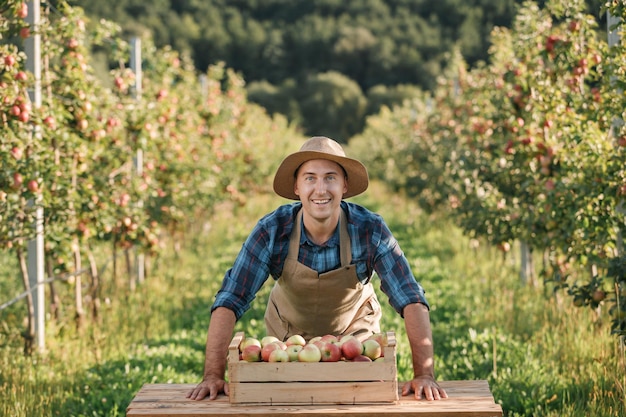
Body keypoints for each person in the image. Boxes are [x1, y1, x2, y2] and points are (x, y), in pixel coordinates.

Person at [187, 136, 447, 402]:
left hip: (354, 339)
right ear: (296, 187)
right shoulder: (272, 230)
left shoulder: (370, 230)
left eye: (330, 177)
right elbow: (231, 298)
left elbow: (410, 297)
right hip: (289, 342)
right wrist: (213, 374)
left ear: (345, 185)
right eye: (310, 178)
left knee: (362, 399)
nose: (320, 189)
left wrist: (424, 374)